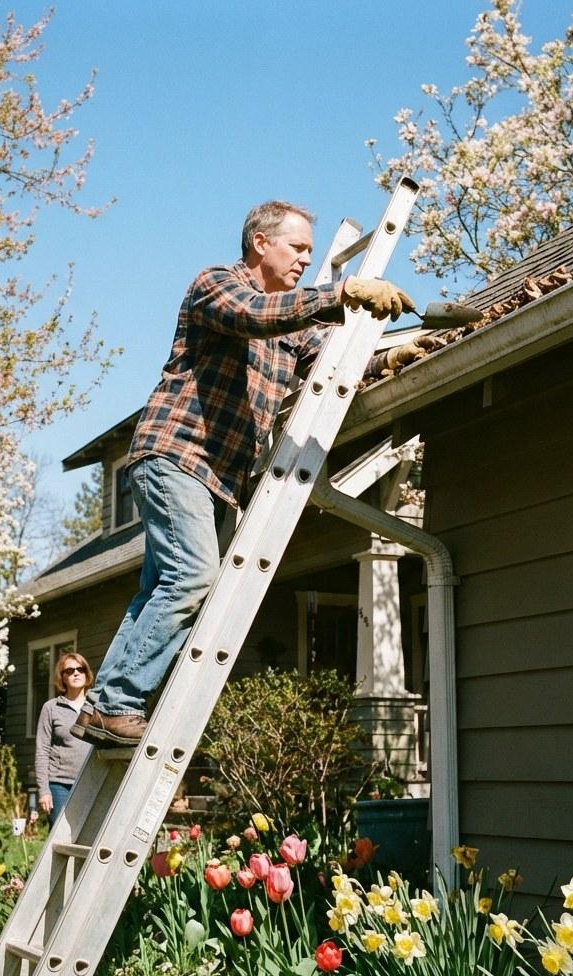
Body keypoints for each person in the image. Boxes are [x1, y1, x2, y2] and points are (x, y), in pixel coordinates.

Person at [73, 199, 414, 747]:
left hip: (217, 481)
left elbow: (327, 361)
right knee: (192, 576)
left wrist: (391, 360)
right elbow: (254, 316)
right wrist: (343, 293)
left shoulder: (290, 325)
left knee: (164, 589)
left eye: (309, 250)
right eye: (297, 248)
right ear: (261, 243)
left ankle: (105, 705)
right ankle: (115, 702)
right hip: (175, 456)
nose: (306, 259)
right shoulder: (216, 286)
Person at [35, 652, 94, 823]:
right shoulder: (51, 708)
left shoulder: (96, 707)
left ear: (86, 674)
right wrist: (44, 790)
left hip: (91, 780)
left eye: (80, 669)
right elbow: (42, 751)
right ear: (62, 678)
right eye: (69, 671)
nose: (76, 673)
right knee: (60, 836)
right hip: (60, 785)